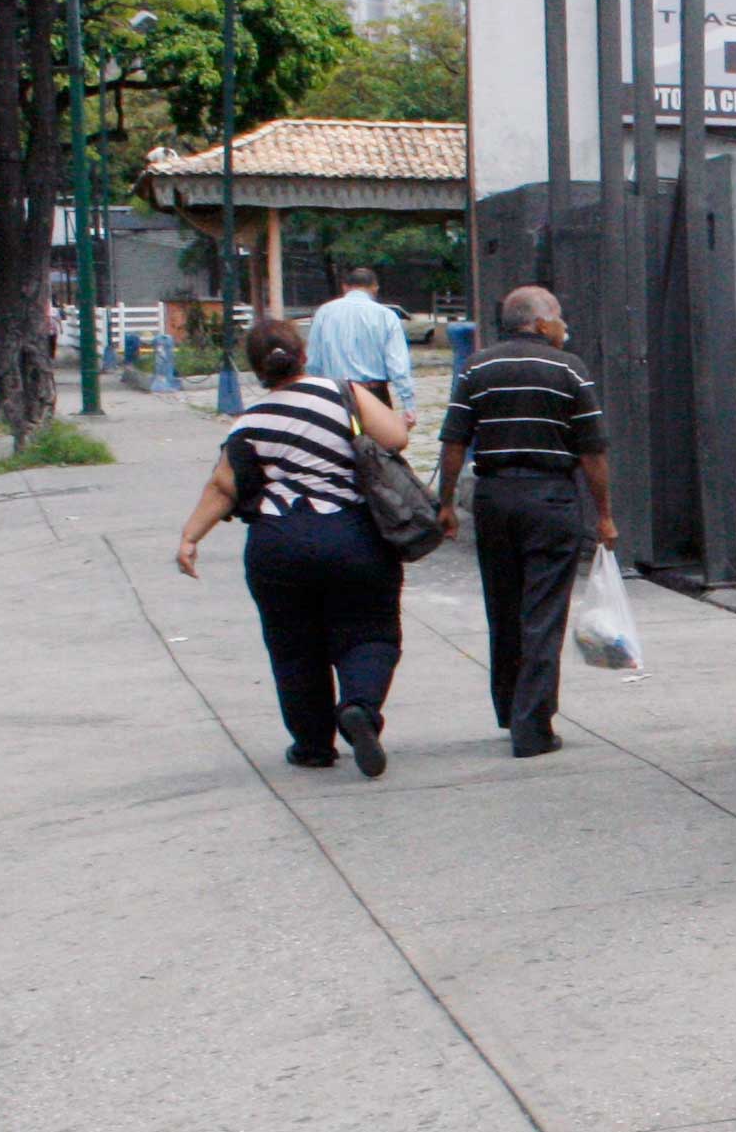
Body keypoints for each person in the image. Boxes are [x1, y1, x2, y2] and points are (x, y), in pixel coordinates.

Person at [174, 317, 416, 778]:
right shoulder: (341, 392)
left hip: (276, 543)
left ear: (257, 369)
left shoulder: (250, 422)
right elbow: (396, 438)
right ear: (303, 354)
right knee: (370, 631)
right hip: (351, 535)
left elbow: (224, 485)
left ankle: (311, 745)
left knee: (292, 645)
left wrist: (190, 537)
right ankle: (360, 708)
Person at [432, 286, 616, 759]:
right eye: (558, 318)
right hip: (550, 498)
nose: (563, 327)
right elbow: (592, 451)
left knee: (505, 609)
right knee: (543, 614)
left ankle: (510, 708)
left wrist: (447, 503)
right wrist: (605, 516)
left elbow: (454, 441)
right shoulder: (569, 368)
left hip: (493, 498)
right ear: (539, 322)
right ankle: (532, 726)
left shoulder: (477, 367)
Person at [303, 265, 418, 413]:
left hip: (335, 394)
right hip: (373, 393)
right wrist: (408, 404)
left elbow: (313, 362)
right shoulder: (386, 316)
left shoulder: (324, 313)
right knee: (379, 436)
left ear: (345, 287)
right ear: (375, 287)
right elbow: (397, 365)